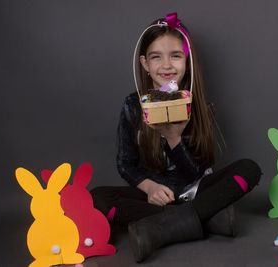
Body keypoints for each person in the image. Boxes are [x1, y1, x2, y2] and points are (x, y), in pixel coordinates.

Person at [90, 13, 262, 262]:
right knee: (97, 197)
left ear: (187, 61)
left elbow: (196, 173)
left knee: (249, 168)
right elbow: (125, 163)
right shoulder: (132, 105)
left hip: (196, 188)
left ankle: (165, 227)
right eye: (156, 57)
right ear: (145, 64)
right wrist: (149, 187)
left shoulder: (202, 107)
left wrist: (174, 139)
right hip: (156, 196)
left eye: (176, 56)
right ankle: (206, 218)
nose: (167, 65)